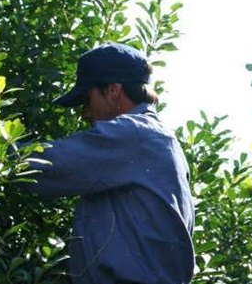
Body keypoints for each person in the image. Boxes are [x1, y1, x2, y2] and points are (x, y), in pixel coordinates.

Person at [23, 42, 195, 284]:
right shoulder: (161, 141)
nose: (85, 112)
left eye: (87, 99)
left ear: (113, 90)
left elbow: (48, 163)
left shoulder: (133, 135)